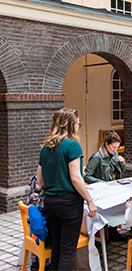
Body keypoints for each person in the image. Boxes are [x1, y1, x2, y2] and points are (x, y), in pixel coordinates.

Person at [36, 108, 97, 271]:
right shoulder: (72, 145)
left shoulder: (46, 147)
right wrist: (90, 201)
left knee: (56, 248)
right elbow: (76, 178)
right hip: (69, 204)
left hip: (50, 202)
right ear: (71, 124)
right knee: (68, 252)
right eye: (78, 123)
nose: (78, 126)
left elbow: (40, 181)